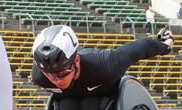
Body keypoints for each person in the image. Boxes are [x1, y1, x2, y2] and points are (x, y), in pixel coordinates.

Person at [31, 24, 174, 99]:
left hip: (106, 99)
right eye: (49, 74)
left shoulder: (106, 65)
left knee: (91, 103)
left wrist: (167, 45)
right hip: (68, 104)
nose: (56, 80)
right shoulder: (39, 76)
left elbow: (143, 46)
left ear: (77, 60)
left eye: (62, 73)